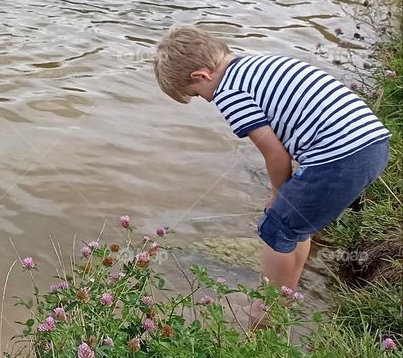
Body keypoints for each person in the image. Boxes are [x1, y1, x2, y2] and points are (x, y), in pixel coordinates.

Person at [154, 25, 391, 328]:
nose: (207, 101)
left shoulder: (229, 92)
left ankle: (265, 312)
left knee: (275, 226)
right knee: (296, 227)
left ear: (202, 75)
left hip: (339, 154)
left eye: (197, 95)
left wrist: (279, 192)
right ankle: (286, 297)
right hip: (371, 142)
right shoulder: (258, 64)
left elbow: (276, 154)